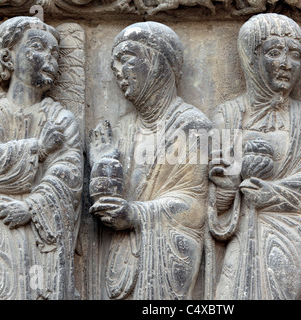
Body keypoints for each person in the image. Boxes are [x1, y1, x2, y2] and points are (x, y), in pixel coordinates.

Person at [207, 13, 301, 300]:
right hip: (242, 236)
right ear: (251, 57)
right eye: (274, 52)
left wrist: (270, 193)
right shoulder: (228, 114)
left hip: (292, 241)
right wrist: (233, 178)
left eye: (296, 55)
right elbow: (214, 200)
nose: (287, 64)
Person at [88, 21, 212, 300]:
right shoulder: (120, 129)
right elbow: (107, 203)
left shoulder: (193, 126)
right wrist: (103, 163)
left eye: (126, 60)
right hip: (122, 258)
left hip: (166, 256)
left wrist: (135, 214)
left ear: (158, 62)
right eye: (113, 65)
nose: (118, 72)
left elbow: (195, 207)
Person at [0, 16, 83, 299]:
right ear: (8, 57)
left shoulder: (60, 119)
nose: (49, 59)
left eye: (54, 53)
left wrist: (30, 208)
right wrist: (38, 149)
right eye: (38, 47)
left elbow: (68, 176)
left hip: (44, 224)